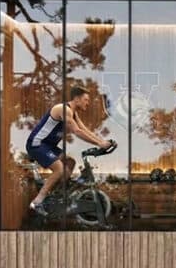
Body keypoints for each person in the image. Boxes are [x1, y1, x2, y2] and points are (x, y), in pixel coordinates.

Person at [26, 85, 114, 216]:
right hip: (37, 145)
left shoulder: (74, 113)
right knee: (60, 169)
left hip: (48, 146)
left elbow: (84, 130)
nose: (88, 103)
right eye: (86, 99)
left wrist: (102, 142)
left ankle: (56, 194)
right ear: (77, 99)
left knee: (70, 162)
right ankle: (38, 201)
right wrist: (100, 144)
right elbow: (77, 131)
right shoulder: (63, 110)